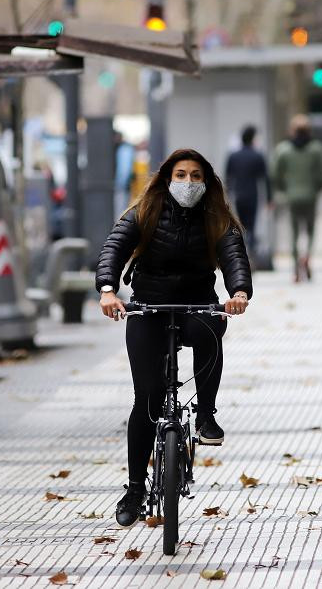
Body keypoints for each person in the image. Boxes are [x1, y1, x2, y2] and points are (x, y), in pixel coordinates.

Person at [95, 149, 252, 527]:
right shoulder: (146, 210)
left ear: (207, 182)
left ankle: (206, 415)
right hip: (148, 307)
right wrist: (107, 289)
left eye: (196, 176)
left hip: (197, 305)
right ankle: (134, 488)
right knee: (146, 399)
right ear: (167, 177)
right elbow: (114, 247)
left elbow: (233, 256)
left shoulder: (217, 218)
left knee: (209, 332)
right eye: (180, 174)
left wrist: (239, 293)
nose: (188, 182)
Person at [272, 114, 322, 282]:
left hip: (292, 195)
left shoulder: (283, 149)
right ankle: (307, 256)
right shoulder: (317, 148)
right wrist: (316, 187)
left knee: (294, 232)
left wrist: (284, 188)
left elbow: (275, 173)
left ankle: (296, 268)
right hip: (310, 195)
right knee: (310, 230)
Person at [225, 125, 272, 259]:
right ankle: (250, 253)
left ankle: (241, 253)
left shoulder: (233, 156)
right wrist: (269, 198)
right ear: (252, 138)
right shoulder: (257, 155)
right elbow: (265, 179)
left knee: (241, 226)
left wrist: (226, 197)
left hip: (238, 196)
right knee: (251, 226)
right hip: (252, 195)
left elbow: (228, 178)